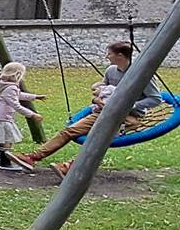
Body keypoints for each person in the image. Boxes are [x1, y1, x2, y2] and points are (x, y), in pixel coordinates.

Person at [8, 43, 148, 176]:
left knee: (98, 138)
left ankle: (71, 168)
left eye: (109, 54)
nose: (106, 56)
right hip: (103, 111)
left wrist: (129, 106)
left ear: (120, 56)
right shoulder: (111, 71)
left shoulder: (141, 74)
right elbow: (102, 90)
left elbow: (155, 99)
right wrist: (96, 99)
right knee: (69, 131)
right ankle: (32, 158)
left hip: (128, 117)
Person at [0, 62, 45, 168]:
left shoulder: (6, 85)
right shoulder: (10, 88)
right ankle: (5, 163)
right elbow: (16, 105)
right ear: (17, 75)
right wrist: (32, 115)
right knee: (8, 140)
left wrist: (35, 97)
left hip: (0, 116)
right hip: (2, 118)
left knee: (5, 138)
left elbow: (18, 95)